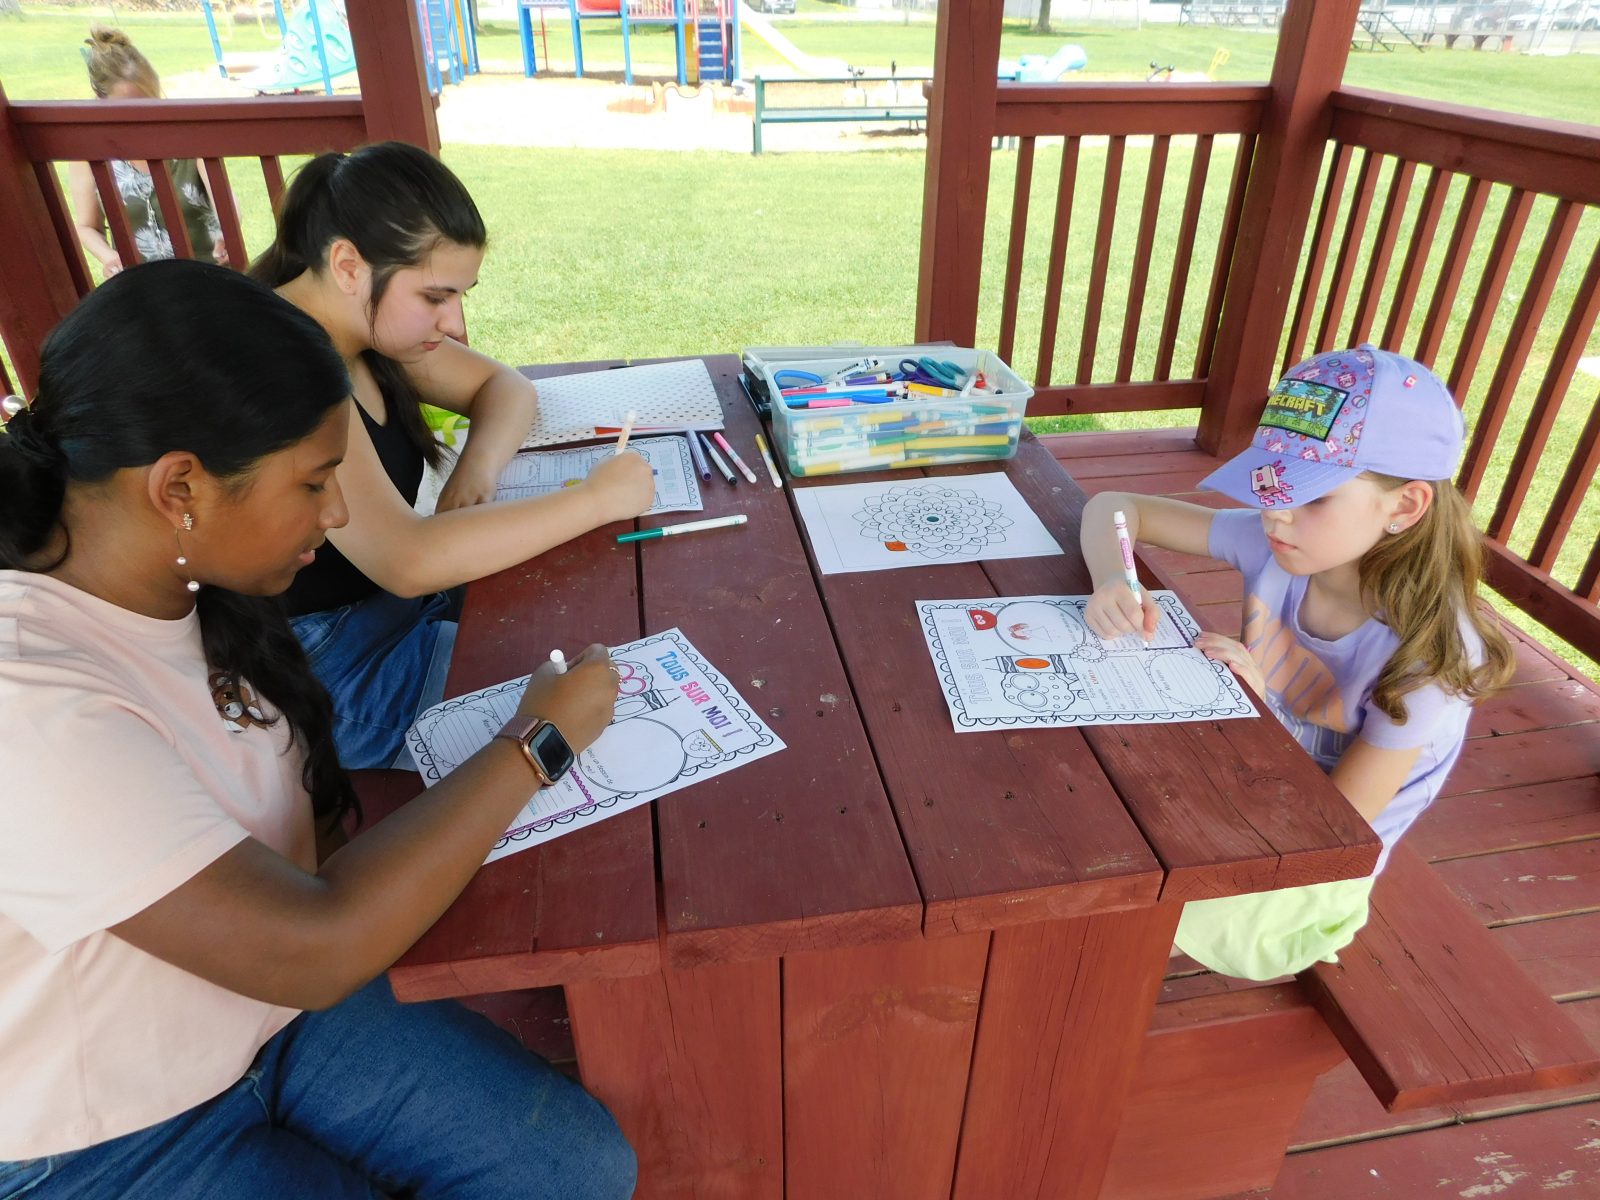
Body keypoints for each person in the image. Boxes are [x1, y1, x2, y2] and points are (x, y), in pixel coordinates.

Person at [0, 259, 636, 1199]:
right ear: (182, 488)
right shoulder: (33, 698)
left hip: (272, 1016)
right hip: (105, 1132)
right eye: (314, 483)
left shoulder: (189, 588)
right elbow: (316, 944)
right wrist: (534, 743)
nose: (336, 513)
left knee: (575, 1172)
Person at [1081, 344, 1514, 981]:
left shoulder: (1432, 661)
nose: (1278, 511)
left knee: (1120, 910)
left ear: (1405, 506)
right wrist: (1114, 578)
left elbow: (1331, 836)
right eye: (1272, 482)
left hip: (1310, 875)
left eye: (1312, 496)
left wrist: (1257, 717)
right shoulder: (1278, 539)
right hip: (1238, 777)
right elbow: (1114, 507)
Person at [248, 141, 655, 770]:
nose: (455, 323)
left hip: (390, 614)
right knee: (594, 721)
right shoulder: (287, 369)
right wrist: (598, 499)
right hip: (327, 669)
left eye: (460, 296)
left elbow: (505, 386)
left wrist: (476, 469)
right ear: (350, 265)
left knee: (590, 635)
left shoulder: (362, 328)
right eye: (436, 297)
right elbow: (408, 559)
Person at [68, 26, 228, 276]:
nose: (142, 117)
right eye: (128, 109)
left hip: (208, 279)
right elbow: (88, 227)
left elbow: (225, 201)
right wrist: (110, 257)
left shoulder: (189, 140)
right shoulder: (88, 155)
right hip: (140, 289)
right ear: (100, 99)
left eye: (151, 103)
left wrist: (226, 230)